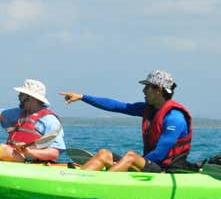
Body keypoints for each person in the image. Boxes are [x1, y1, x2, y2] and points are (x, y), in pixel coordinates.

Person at [59, 70, 191, 172]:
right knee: (104, 154)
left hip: (166, 170)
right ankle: (79, 180)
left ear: (159, 90)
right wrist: (83, 97)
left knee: (131, 156)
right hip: (148, 164)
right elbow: (116, 106)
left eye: (148, 87)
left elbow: (160, 153)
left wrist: (129, 164)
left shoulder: (175, 117)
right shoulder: (148, 109)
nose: (144, 90)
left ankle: (101, 183)